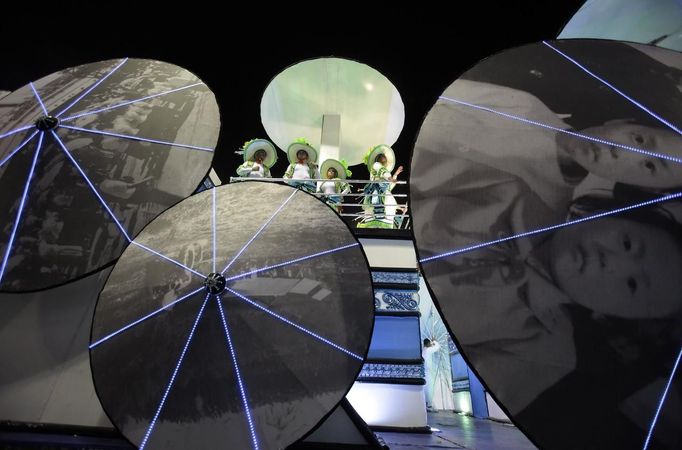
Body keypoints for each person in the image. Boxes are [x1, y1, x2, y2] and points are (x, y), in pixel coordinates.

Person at [357, 145, 404, 229]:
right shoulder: (376, 165)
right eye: (382, 157)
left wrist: (395, 174)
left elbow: (389, 186)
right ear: (378, 159)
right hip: (376, 191)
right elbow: (384, 173)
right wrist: (390, 178)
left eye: (384, 157)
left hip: (381, 192)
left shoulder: (382, 172)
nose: (384, 159)